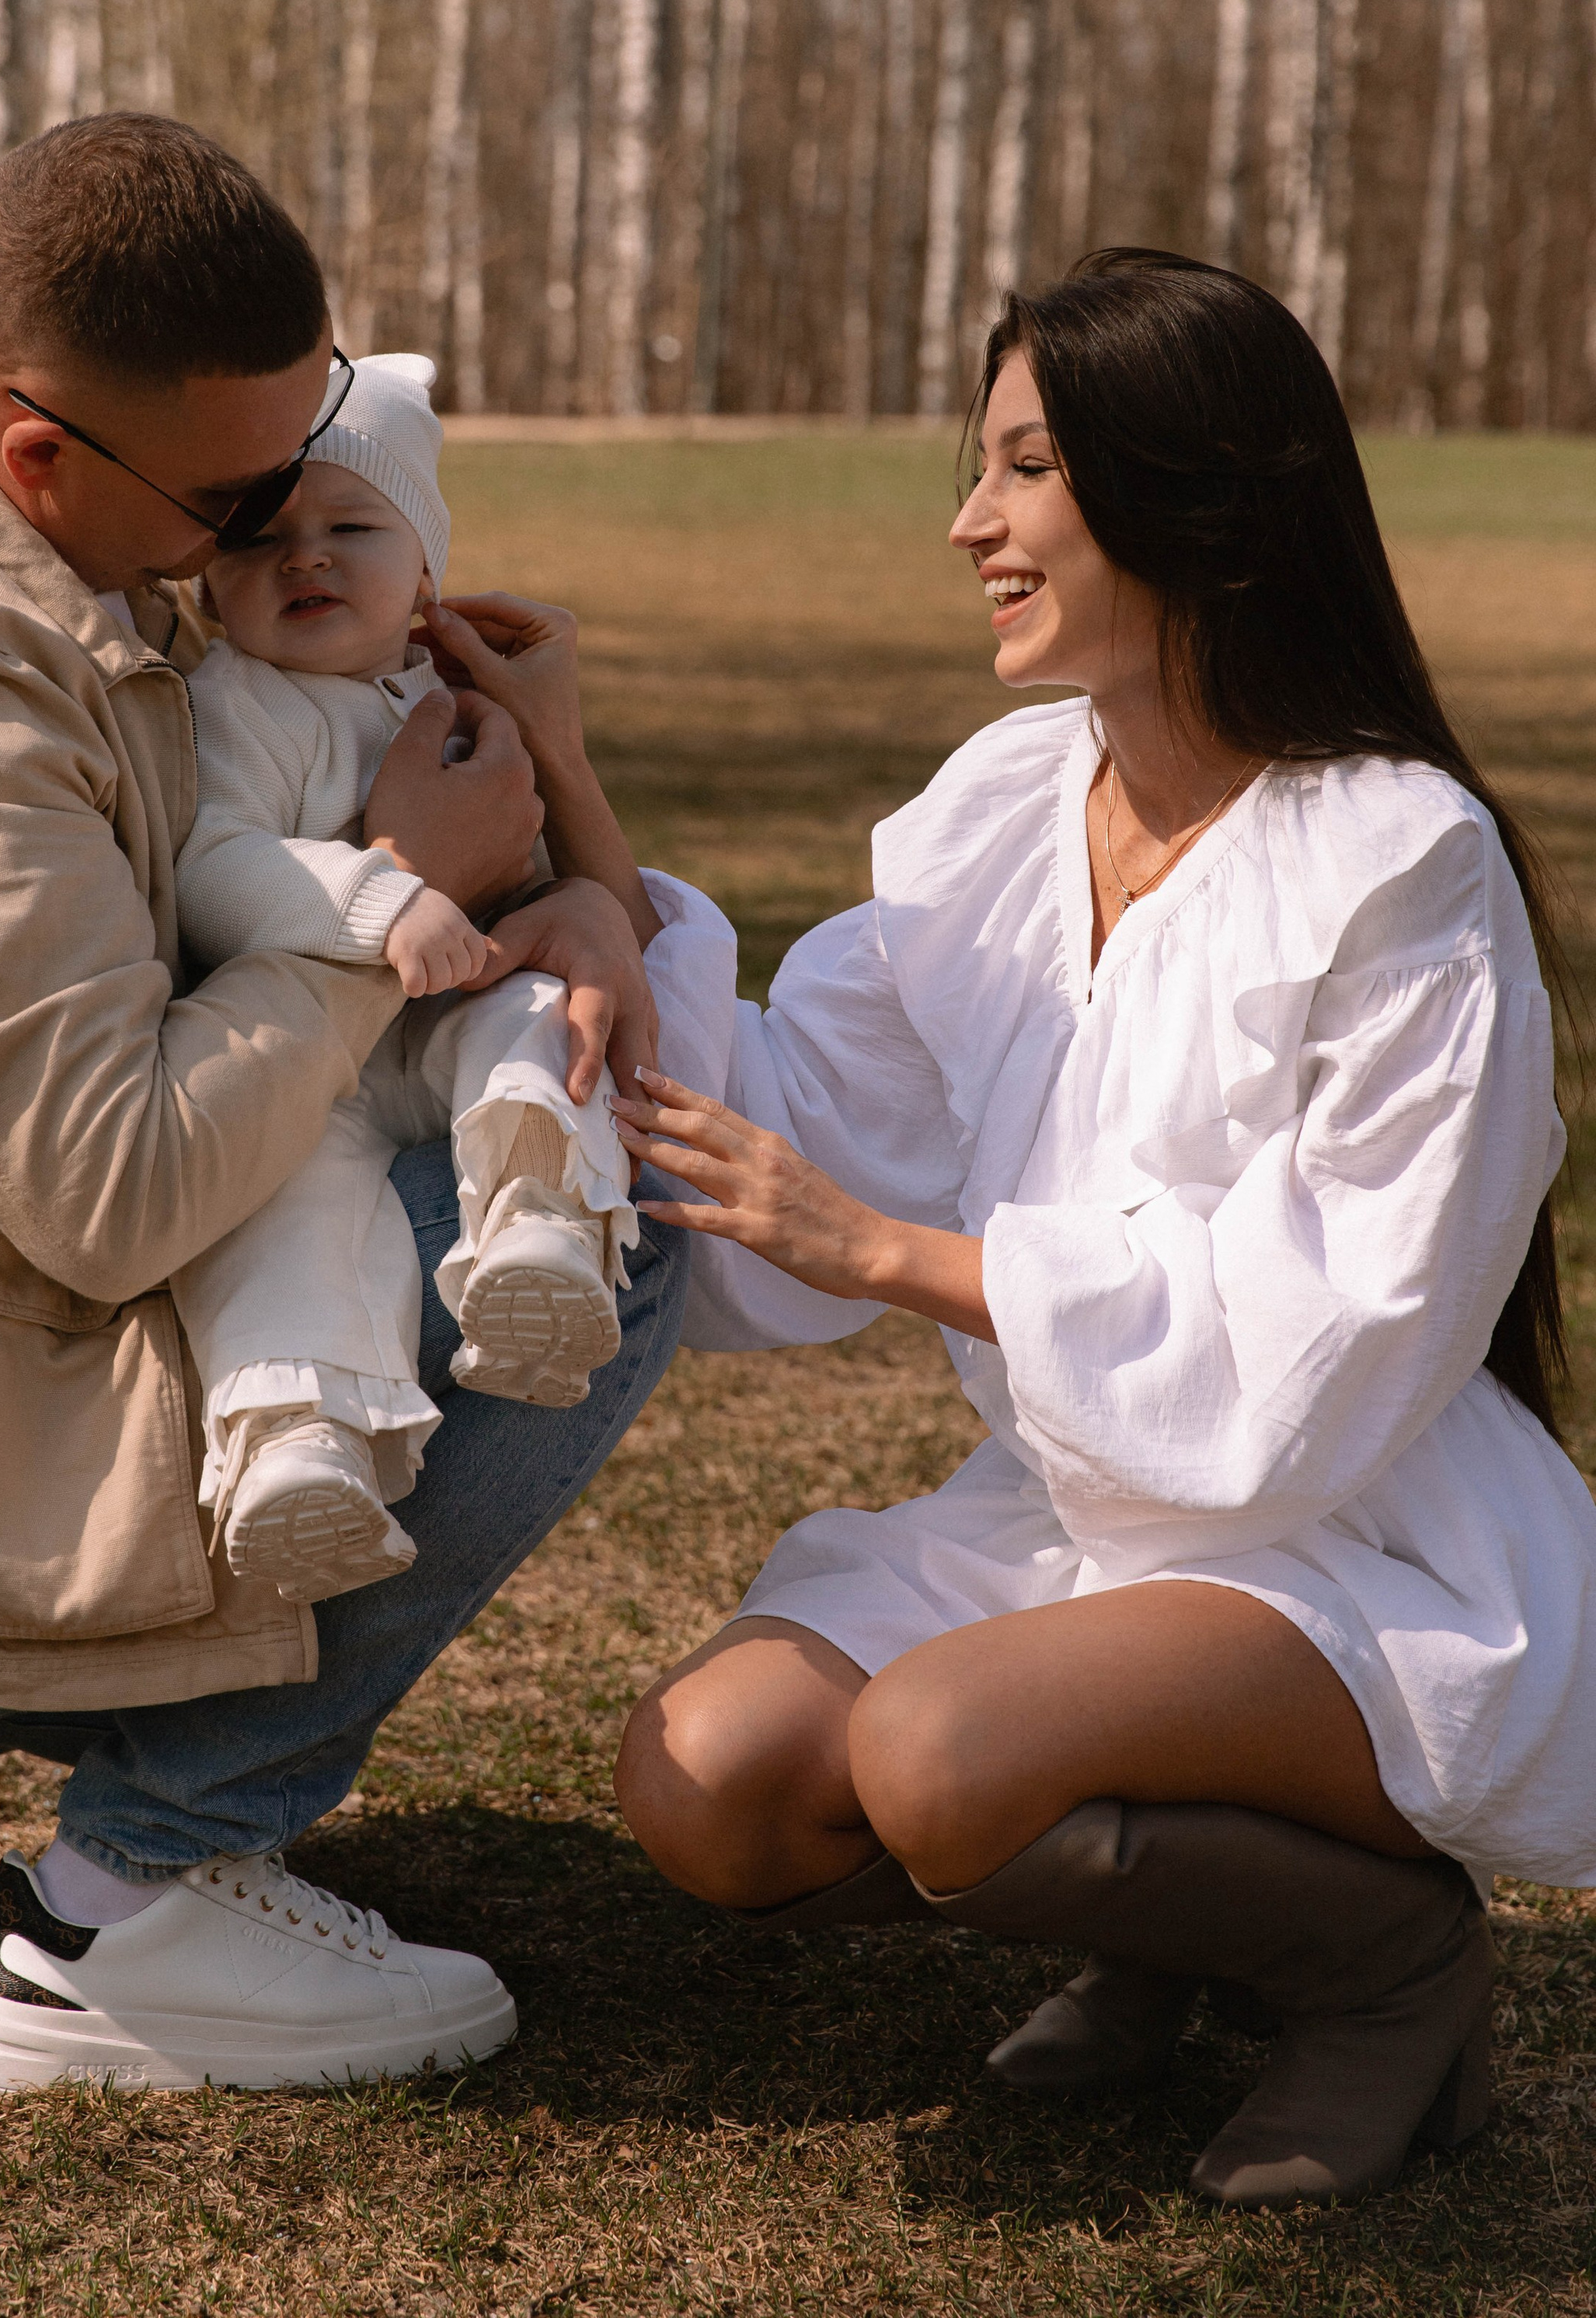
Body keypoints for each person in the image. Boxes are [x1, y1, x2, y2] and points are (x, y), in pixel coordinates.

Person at [0, 113, 687, 2097]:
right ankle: (116, 1918)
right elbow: (113, 1195)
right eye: (241, 489)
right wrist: (390, 904)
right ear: (43, 453)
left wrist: (579, 864)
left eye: (316, 448)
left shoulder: (2, 501)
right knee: (625, 1212)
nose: (283, 524)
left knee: (558, 1104)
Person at [610, 250, 1593, 2211]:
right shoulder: (1001, 807)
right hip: (1075, 1513)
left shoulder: (1395, 862)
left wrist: (895, 1257)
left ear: (1193, 499)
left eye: (1025, 465)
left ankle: (1389, 1968)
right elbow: (803, 1104)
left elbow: (1337, 1343)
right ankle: (1171, 1932)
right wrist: (551, 807)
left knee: (934, 1756)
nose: (968, 520)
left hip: (1342, 1529)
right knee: (703, 1788)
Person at [170, 347, 638, 1602]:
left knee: (545, 1016)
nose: (305, 557)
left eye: (352, 527)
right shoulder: (238, 703)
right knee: (283, 1225)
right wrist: (382, 899)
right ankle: (297, 1450)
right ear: (212, 588)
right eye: (260, 539)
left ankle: (536, 1219)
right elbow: (212, 861)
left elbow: (573, 904)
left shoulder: (457, 694)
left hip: (450, 1029)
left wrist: (562, 879)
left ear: (427, 568)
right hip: (307, 1064)